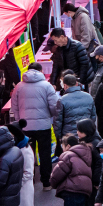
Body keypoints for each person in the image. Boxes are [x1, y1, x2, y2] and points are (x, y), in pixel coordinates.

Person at [10, 61, 61, 190]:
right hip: (43, 125)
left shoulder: (19, 87)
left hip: (25, 127)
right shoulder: (47, 86)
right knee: (45, 153)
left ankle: (30, 181)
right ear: (41, 71)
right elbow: (54, 106)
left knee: (28, 153)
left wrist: (19, 121)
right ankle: (46, 182)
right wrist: (50, 117)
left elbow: (14, 107)